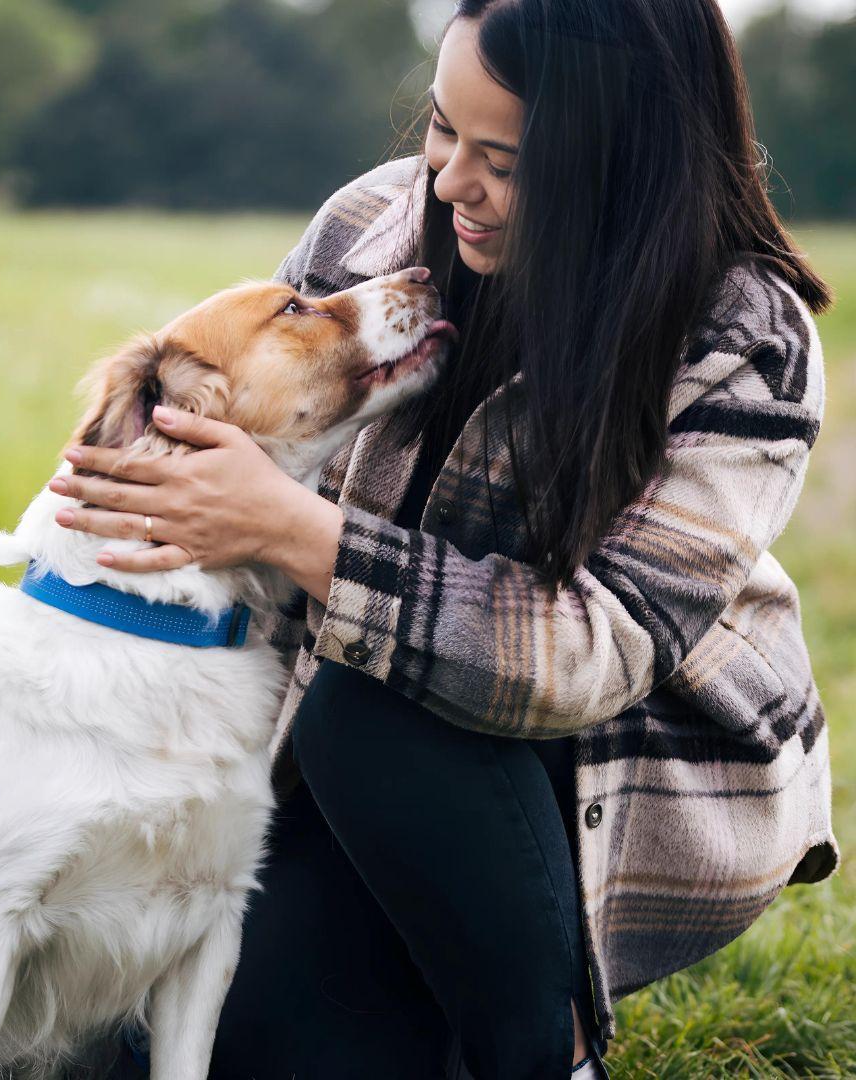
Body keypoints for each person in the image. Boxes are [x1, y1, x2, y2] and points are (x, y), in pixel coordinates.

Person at [61, 1, 839, 1076]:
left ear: (619, 161)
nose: (445, 183)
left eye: (503, 161)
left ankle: (545, 1047)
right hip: (342, 761)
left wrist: (301, 532)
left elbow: (591, 655)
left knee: (373, 693)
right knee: (163, 1046)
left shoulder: (741, 338)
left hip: (607, 766)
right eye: (441, 129)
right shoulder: (369, 231)